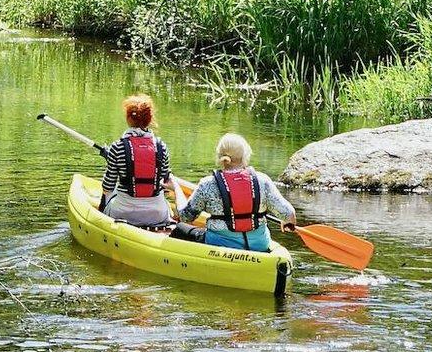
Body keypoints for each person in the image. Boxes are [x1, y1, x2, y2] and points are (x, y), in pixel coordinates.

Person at [175, 133, 296, 252]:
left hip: (220, 245)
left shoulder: (207, 184)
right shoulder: (263, 181)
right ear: (245, 156)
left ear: (220, 156)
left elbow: (185, 217)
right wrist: (287, 221)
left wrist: (176, 188)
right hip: (259, 245)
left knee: (179, 229)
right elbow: (289, 214)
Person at [99, 94, 178, 229]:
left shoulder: (117, 147)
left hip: (122, 214)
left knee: (108, 194)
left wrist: (112, 158)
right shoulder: (161, 147)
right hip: (157, 214)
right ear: (150, 119)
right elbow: (165, 183)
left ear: (129, 118)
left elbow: (107, 187)